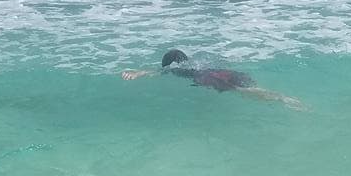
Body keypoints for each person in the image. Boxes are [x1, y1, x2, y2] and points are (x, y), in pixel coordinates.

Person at [122, 49, 305, 109]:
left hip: (209, 78)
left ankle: (282, 99)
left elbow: (156, 72)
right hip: (224, 72)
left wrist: (138, 73)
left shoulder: (179, 70)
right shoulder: (199, 62)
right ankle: (280, 96)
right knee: (247, 86)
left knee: (243, 91)